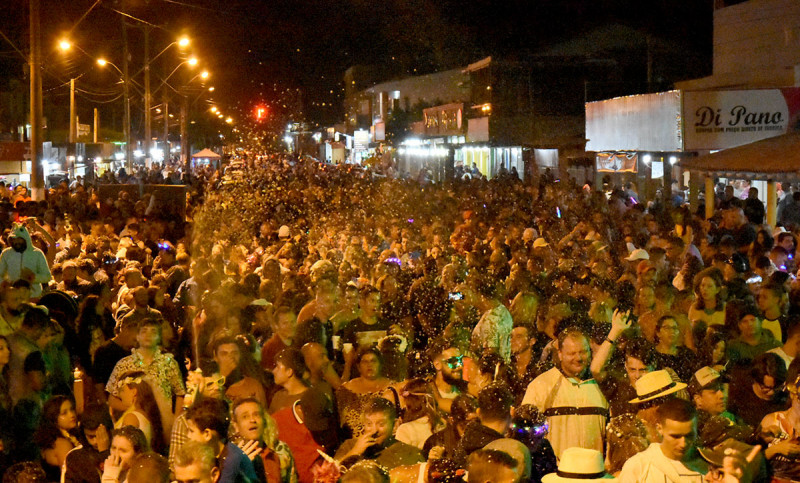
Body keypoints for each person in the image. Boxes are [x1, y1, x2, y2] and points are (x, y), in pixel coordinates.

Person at [522, 325, 608, 458]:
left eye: (583, 352)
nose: (578, 358)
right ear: (560, 354)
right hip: (558, 474)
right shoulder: (541, 386)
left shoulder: (602, 386)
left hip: (595, 473)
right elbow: (526, 432)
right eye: (571, 353)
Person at [618, 398, 710, 482]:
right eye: (676, 436)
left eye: (689, 435)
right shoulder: (639, 466)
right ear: (659, 428)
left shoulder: (708, 466)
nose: (683, 444)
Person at [334, 397, 423, 471]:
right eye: (369, 424)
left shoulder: (409, 453)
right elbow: (329, 474)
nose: (374, 430)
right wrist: (354, 452)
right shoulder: (349, 446)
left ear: (395, 425)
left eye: (381, 424)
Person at [185, 397, 259, 483]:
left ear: (207, 434)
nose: (188, 436)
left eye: (191, 431)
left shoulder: (231, 462)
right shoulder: (214, 458)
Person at [231, 397, 297, 483]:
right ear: (236, 426)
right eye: (245, 417)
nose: (252, 420)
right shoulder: (231, 458)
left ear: (264, 421)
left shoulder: (280, 450)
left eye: (256, 415)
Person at [729, 352, 790, 427]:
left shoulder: (785, 397)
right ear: (755, 380)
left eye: (777, 387)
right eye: (766, 387)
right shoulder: (740, 393)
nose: (772, 392)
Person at [113, 370, 164, 453]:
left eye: (122, 390)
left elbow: (125, 450)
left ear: (134, 392)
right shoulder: (145, 413)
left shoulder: (131, 417)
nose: (120, 395)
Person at [63, 404, 113, 483]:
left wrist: (105, 453)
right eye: (91, 437)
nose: (96, 441)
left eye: (100, 436)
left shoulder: (120, 451)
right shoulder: (75, 457)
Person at [0, 223, 52, 298]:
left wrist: (34, 277)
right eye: (14, 239)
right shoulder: (6, 254)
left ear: (25, 238)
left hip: (33, 296)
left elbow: (47, 276)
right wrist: (4, 283)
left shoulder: (37, 253)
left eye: (19, 239)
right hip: (13, 297)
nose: (16, 242)